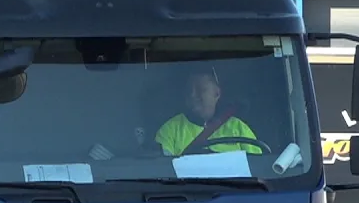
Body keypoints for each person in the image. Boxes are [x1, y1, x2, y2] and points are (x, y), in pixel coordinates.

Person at [88, 68, 263, 161]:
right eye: (189, 91)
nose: (193, 96)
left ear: (217, 94)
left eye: (200, 90)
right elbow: (162, 173)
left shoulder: (238, 128)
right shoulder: (170, 130)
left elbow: (257, 166)